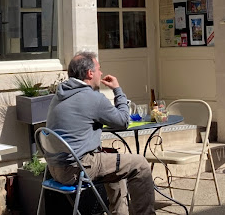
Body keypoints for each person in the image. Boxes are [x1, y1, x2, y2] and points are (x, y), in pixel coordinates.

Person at [45, 51, 155, 215]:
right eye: (99, 69)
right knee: (140, 164)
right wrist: (117, 89)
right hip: (77, 168)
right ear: (90, 73)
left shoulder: (60, 94)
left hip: (55, 168)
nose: (101, 73)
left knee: (115, 162)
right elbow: (123, 121)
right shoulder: (92, 97)